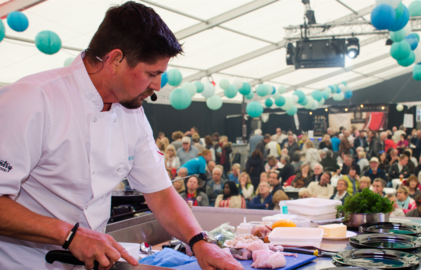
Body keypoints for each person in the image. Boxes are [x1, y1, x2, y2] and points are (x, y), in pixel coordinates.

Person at [0, 2, 242, 269]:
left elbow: (161, 194)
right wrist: (69, 235)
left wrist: (200, 242)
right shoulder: (32, 99)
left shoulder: (132, 113)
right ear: (116, 60)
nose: (157, 86)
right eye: (152, 73)